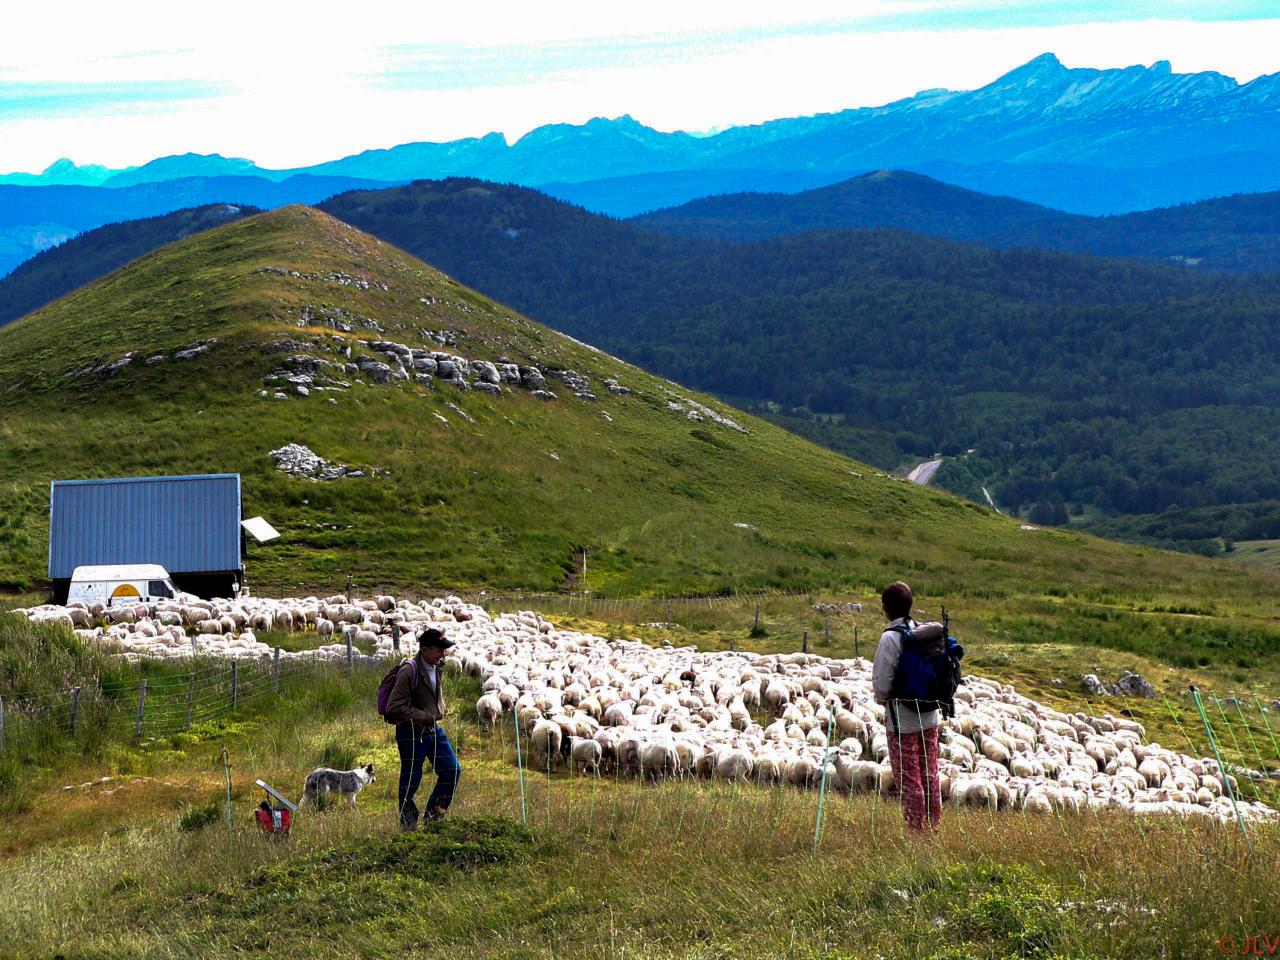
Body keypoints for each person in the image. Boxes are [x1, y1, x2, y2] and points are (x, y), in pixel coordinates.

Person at [872, 580, 942, 832]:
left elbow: (881, 685)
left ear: (885, 608)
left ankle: (915, 832)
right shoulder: (923, 633)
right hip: (931, 718)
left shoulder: (891, 638)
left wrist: (884, 698)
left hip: (903, 723)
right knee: (930, 774)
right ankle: (933, 827)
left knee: (909, 779)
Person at [385, 627, 461, 829]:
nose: (442, 654)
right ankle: (408, 827)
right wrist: (424, 715)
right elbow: (393, 707)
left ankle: (434, 817)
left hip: (432, 730)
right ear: (425, 650)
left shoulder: (437, 666)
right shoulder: (409, 670)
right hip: (411, 734)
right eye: (439, 649)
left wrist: (440, 709)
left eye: (444, 649)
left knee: (452, 770)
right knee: (411, 781)